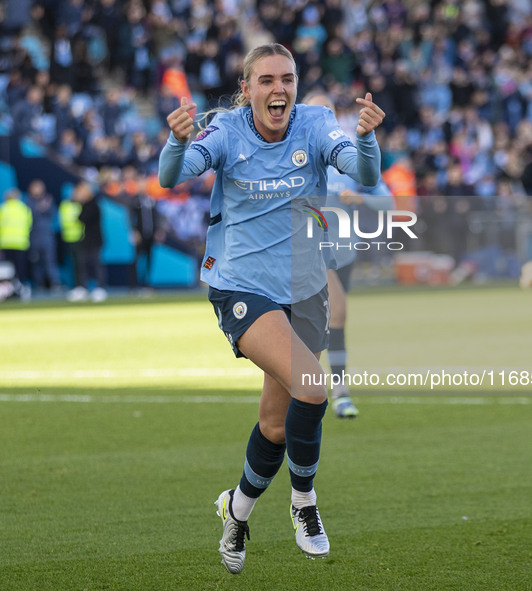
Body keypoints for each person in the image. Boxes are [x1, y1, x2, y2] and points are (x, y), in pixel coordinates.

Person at [158, 43, 384, 574]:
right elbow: (175, 174)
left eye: (287, 79)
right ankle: (304, 503)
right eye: (266, 80)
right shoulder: (228, 131)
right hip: (241, 287)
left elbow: (364, 173)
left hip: (302, 289)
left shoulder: (318, 122)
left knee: (275, 425)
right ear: (247, 89)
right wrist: (176, 139)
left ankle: (235, 510)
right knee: (312, 386)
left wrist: (366, 139)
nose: (278, 89)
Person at [305, 93, 394, 418]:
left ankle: (325, 388)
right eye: (313, 110)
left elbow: (389, 203)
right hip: (310, 249)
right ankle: (335, 392)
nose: (320, 116)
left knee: (327, 324)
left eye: (326, 111)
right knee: (336, 312)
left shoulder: (349, 153)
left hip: (345, 251)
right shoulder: (292, 153)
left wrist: (360, 200)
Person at [26, 179, 62, 292]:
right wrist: (38, 208)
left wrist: (45, 207)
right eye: (35, 187)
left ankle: (55, 283)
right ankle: (39, 284)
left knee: (50, 261)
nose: (37, 190)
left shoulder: (48, 200)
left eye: (39, 187)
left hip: (47, 237)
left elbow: (53, 215)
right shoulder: (28, 201)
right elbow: (28, 217)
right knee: (36, 262)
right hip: (33, 237)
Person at [0, 188, 33, 301]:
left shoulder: (3, 208)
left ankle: (10, 289)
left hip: (6, 243)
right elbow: (29, 225)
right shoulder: (24, 209)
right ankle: (21, 289)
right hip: (21, 243)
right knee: (20, 269)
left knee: (8, 270)